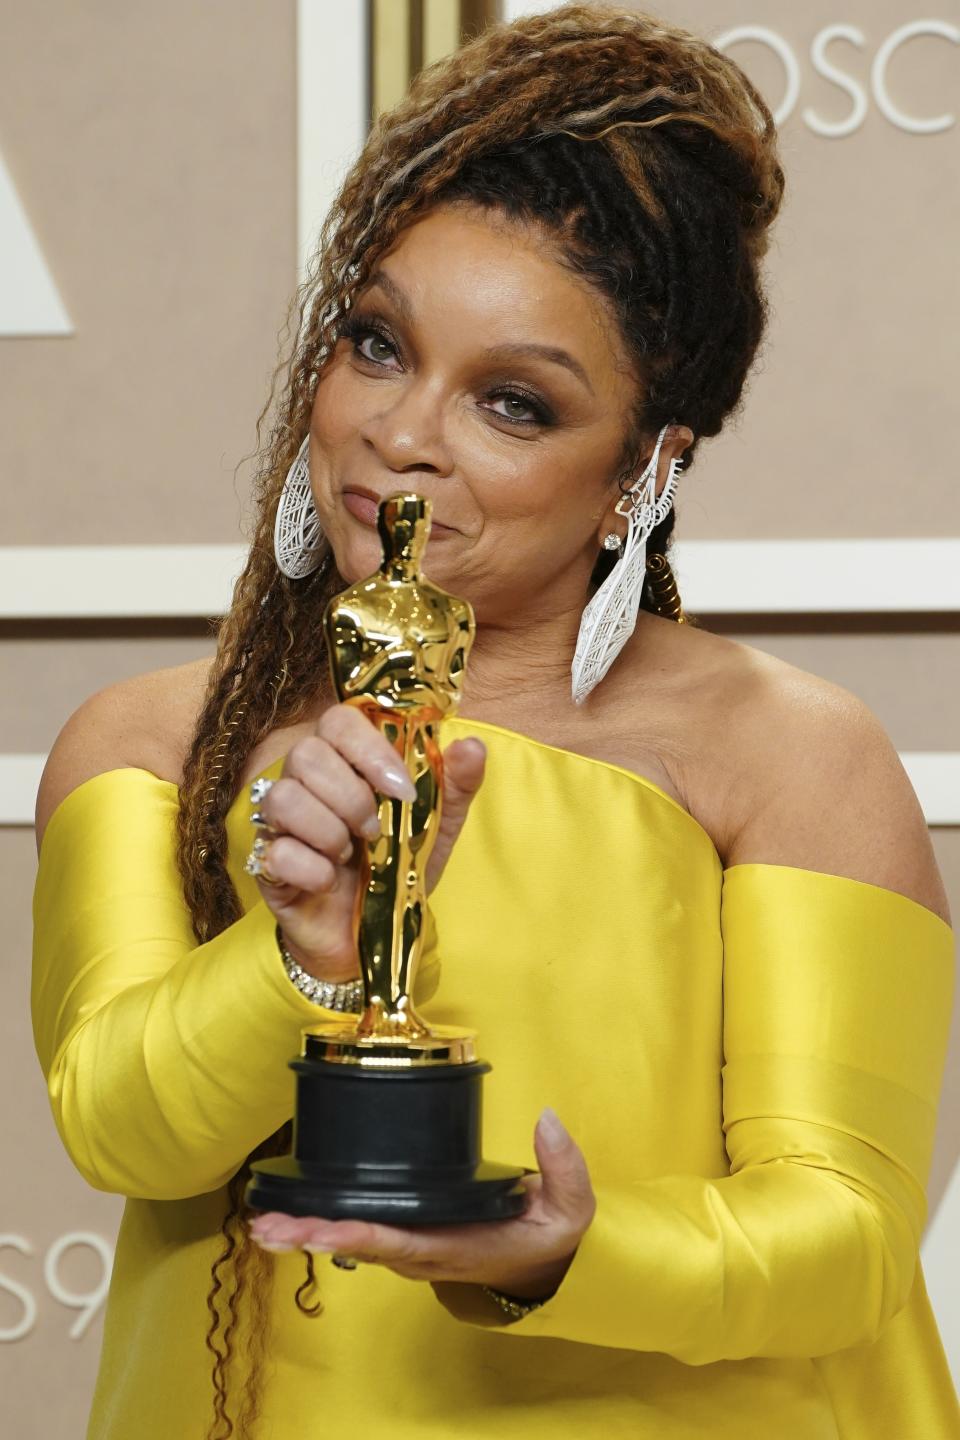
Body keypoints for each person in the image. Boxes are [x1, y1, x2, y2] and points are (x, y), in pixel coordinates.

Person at [30, 5, 957, 1438]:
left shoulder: (784, 753)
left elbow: (844, 1238)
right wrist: (301, 960)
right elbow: (121, 1130)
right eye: (377, 342)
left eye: (514, 404)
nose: (404, 433)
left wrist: (564, 1253)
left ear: (645, 468)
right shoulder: (155, 743)